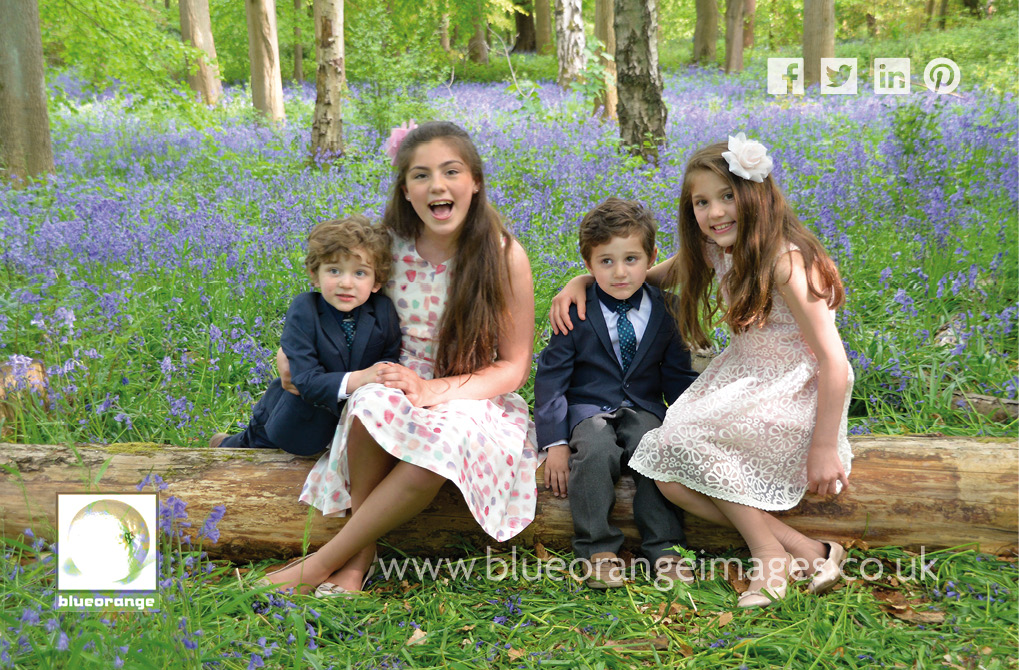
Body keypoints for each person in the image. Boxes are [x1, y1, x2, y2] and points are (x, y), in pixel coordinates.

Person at [549, 133, 854, 608]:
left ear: (757, 193)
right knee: (668, 472)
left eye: (727, 196)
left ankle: (767, 554)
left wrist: (822, 446)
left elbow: (837, 364)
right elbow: (636, 276)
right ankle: (810, 551)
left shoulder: (789, 262)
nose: (715, 213)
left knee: (683, 444)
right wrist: (584, 279)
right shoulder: (717, 251)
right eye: (701, 202)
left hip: (792, 385)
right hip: (743, 377)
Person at [266, 121, 541, 596]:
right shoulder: (388, 248)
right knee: (371, 402)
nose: (437, 185)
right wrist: (291, 349)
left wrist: (436, 390)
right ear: (406, 190)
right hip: (395, 377)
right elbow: (334, 300)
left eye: (451, 171)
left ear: (474, 181)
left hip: (470, 393)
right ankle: (360, 557)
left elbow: (514, 367)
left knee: (439, 445)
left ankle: (326, 563)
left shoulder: (503, 255)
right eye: (421, 175)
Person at [534, 198, 698, 589]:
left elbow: (677, 376)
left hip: (643, 406)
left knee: (652, 448)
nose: (620, 272)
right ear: (589, 265)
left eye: (631, 259)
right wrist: (554, 443)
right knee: (593, 449)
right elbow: (551, 377)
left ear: (651, 257)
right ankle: (596, 549)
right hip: (587, 408)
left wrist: (694, 418)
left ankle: (665, 547)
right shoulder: (575, 310)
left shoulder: (667, 309)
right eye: (606, 261)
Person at [210, 216, 400, 455]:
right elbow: (305, 381)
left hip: (355, 422)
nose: (346, 283)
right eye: (334, 270)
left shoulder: (383, 311)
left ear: (376, 282)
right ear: (314, 275)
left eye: (360, 273)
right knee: (256, 441)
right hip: (298, 417)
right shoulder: (304, 310)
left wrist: (384, 374)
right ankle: (224, 446)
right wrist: (360, 378)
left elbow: (390, 358)